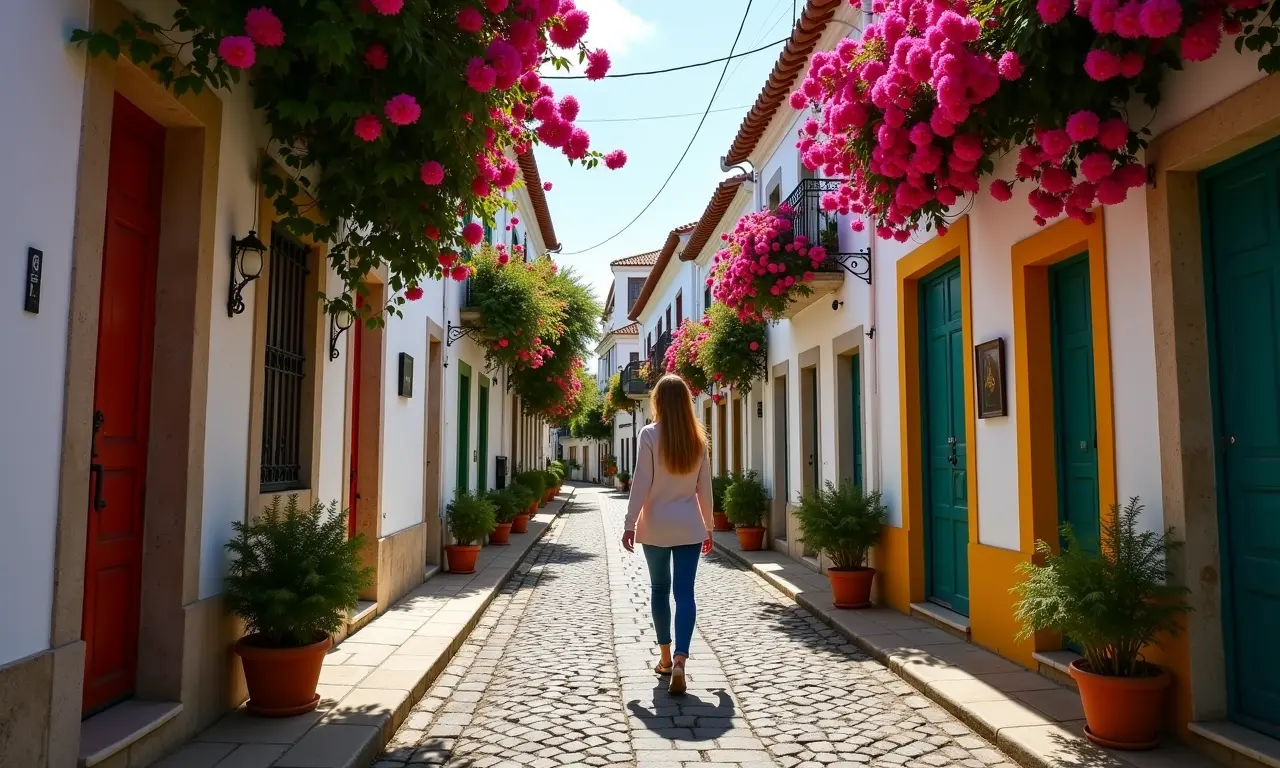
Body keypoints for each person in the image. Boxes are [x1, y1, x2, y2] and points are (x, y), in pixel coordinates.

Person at [621, 374, 714, 695]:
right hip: (689, 525)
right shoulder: (697, 440)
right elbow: (705, 489)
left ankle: (663, 658)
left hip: (656, 525)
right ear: (687, 403)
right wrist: (709, 526)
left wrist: (629, 523)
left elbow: (640, 483)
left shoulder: (648, 435)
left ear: (657, 402)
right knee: (685, 593)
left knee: (660, 589)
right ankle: (680, 660)